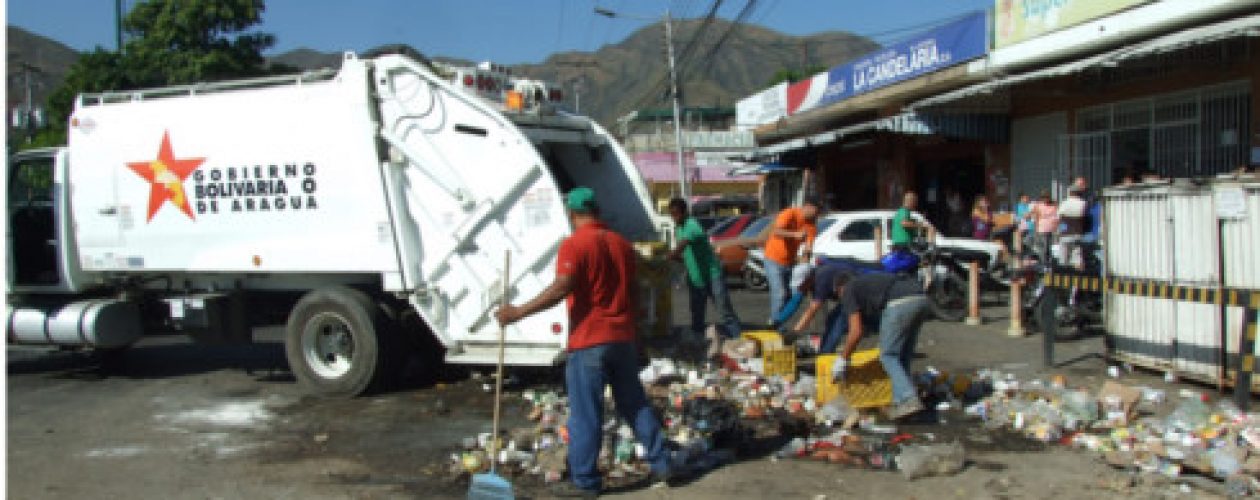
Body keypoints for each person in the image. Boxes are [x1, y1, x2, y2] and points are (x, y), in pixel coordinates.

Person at [496, 187, 671, 498]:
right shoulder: (621, 244)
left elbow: (561, 287)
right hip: (622, 339)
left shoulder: (574, 245)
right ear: (597, 210)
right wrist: (638, 338)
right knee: (635, 404)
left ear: (571, 213)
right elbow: (634, 294)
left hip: (589, 341)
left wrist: (517, 313)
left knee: (586, 413)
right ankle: (663, 463)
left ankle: (586, 482)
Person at [827, 269, 931, 420]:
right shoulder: (867, 284)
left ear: (839, 288)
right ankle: (901, 402)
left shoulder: (849, 290)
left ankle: (908, 398)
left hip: (899, 303)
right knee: (903, 355)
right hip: (921, 298)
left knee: (888, 355)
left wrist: (842, 360)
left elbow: (856, 332)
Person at [667, 198, 741, 343]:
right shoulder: (678, 229)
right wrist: (679, 260)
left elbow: (684, 244)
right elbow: (685, 254)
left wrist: (671, 255)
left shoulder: (692, 224)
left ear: (684, 212)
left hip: (712, 274)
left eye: (676, 214)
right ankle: (698, 342)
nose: (674, 218)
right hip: (695, 278)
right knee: (697, 313)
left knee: (724, 309)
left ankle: (738, 338)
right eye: (672, 215)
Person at [762, 199, 820, 325]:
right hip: (773, 259)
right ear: (808, 206)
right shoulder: (790, 213)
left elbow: (808, 247)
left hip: (790, 263)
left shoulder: (811, 226)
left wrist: (806, 258)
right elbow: (776, 231)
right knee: (780, 293)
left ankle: (777, 322)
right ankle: (775, 326)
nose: (817, 215)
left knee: (789, 296)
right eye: (816, 211)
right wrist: (794, 234)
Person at [1057, 185, 1089, 269]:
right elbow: (1085, 217)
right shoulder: (1083, 203)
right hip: (1078, 232)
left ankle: (1063, 273)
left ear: (1070, 193)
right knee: (1077, 254)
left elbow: (1059, 218)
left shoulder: (1064, 203)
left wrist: (1059, 230)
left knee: (1063, 257)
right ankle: (1079, 273)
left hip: (1065, 233)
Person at [1026, 190, 1058, 263]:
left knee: (1049, 246)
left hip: (1052, 228)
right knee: (1045, 247)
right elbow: (1032, 214)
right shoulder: (1038, 205)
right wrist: (1027, 216)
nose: (1045, 199)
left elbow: (1057, 215)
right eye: (1043, 197)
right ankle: (1045, 262)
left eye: (1047, 197)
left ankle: (1048, 262)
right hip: (1042, 228)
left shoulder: (1054, 205)